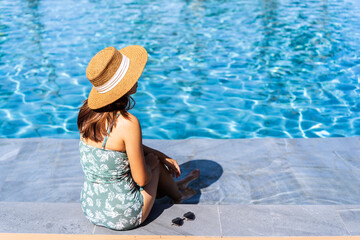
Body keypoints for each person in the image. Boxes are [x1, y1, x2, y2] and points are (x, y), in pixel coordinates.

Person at [77, 45, 200, 231]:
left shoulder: (87, 115)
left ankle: (173, 185)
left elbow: (115, 148)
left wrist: (159, 153)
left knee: (143, 160)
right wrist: (154, 160)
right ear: (122, 86)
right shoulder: (128, 122)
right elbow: (142, 180)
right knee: (152, 164)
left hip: (91, 207)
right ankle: (178, 194)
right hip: (123, 215)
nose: (138, 76)